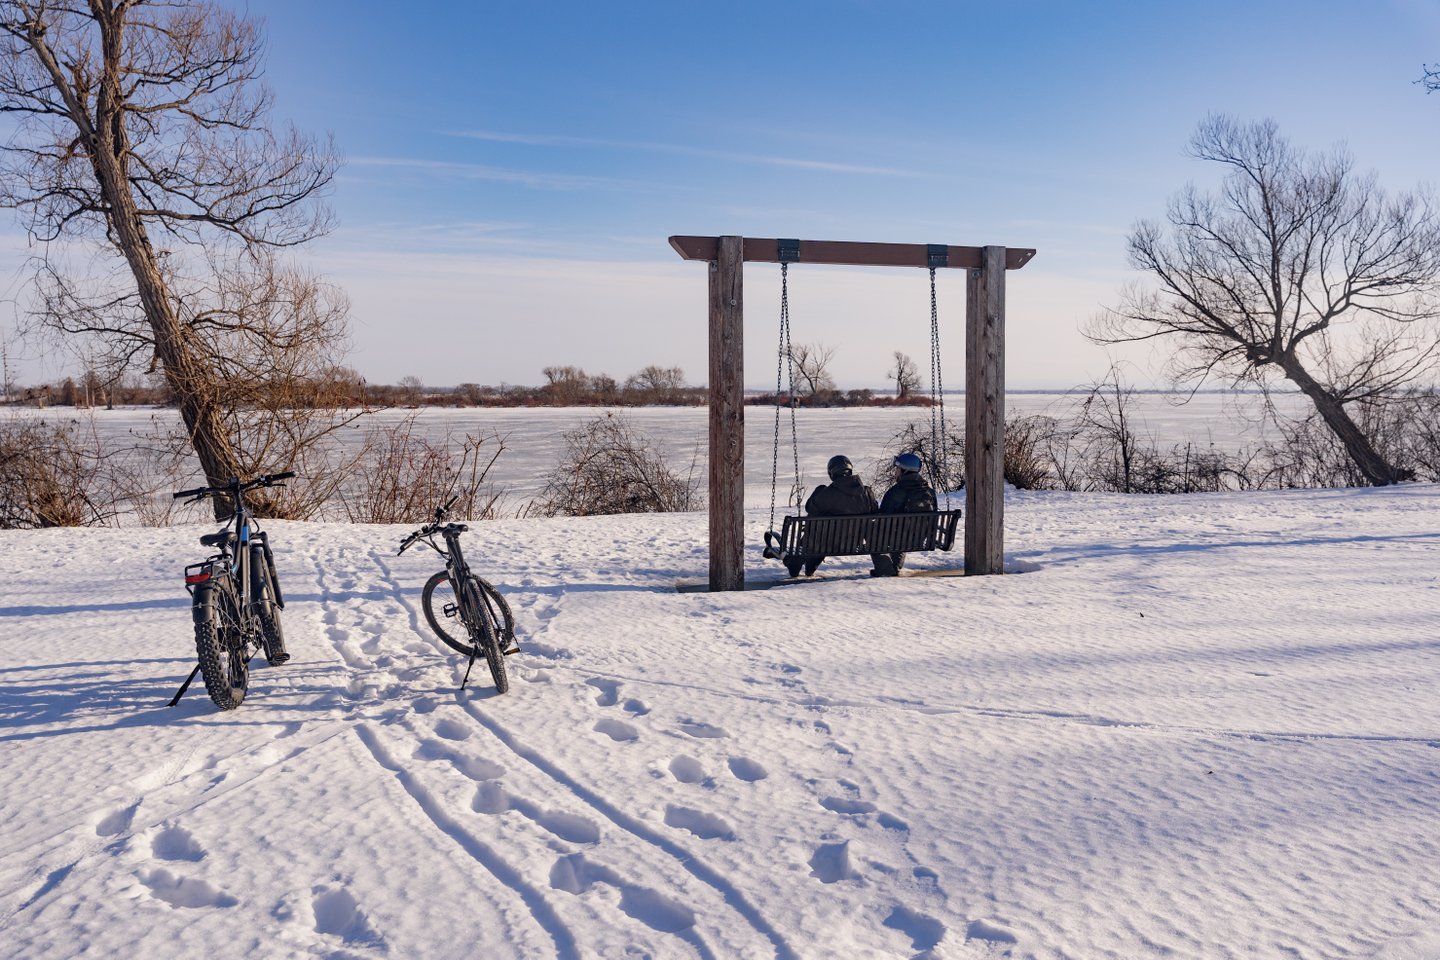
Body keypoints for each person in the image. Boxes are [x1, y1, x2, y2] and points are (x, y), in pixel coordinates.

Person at [788, 454, 878, 577]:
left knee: (817, 531)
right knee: (821, 532)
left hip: (826, 544)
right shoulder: (866, 492)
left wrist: (819, 491)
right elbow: (875, 511)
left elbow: (811, 508)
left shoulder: (828, 493)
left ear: (832, 473)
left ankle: (796, 564)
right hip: (854, 542)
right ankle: (808, 567)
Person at [871, 451, 937, 577]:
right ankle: (895, 566)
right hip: (919, 538)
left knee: (875, 528)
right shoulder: (929, 492)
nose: (896, 472)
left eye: (898, 469)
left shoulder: (895, 492)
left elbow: (883, 519)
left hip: (897, 538)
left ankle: (885, 567)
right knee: (901, 530)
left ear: (904, 471)